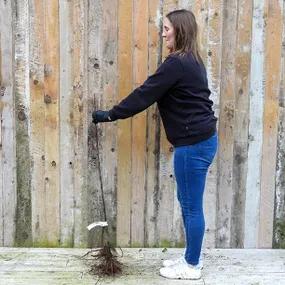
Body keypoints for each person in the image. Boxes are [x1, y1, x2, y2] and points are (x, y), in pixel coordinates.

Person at [92, 9, 218, 280]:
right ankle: (189, 258)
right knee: (187, 202)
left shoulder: (176, 64)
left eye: (167, 28)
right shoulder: (191, 61)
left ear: (180, 30)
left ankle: (193, 266)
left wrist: (110, 114)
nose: (163, 33)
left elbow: (144, 94)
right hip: (201, 141)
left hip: (193, 145)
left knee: (192, 206)